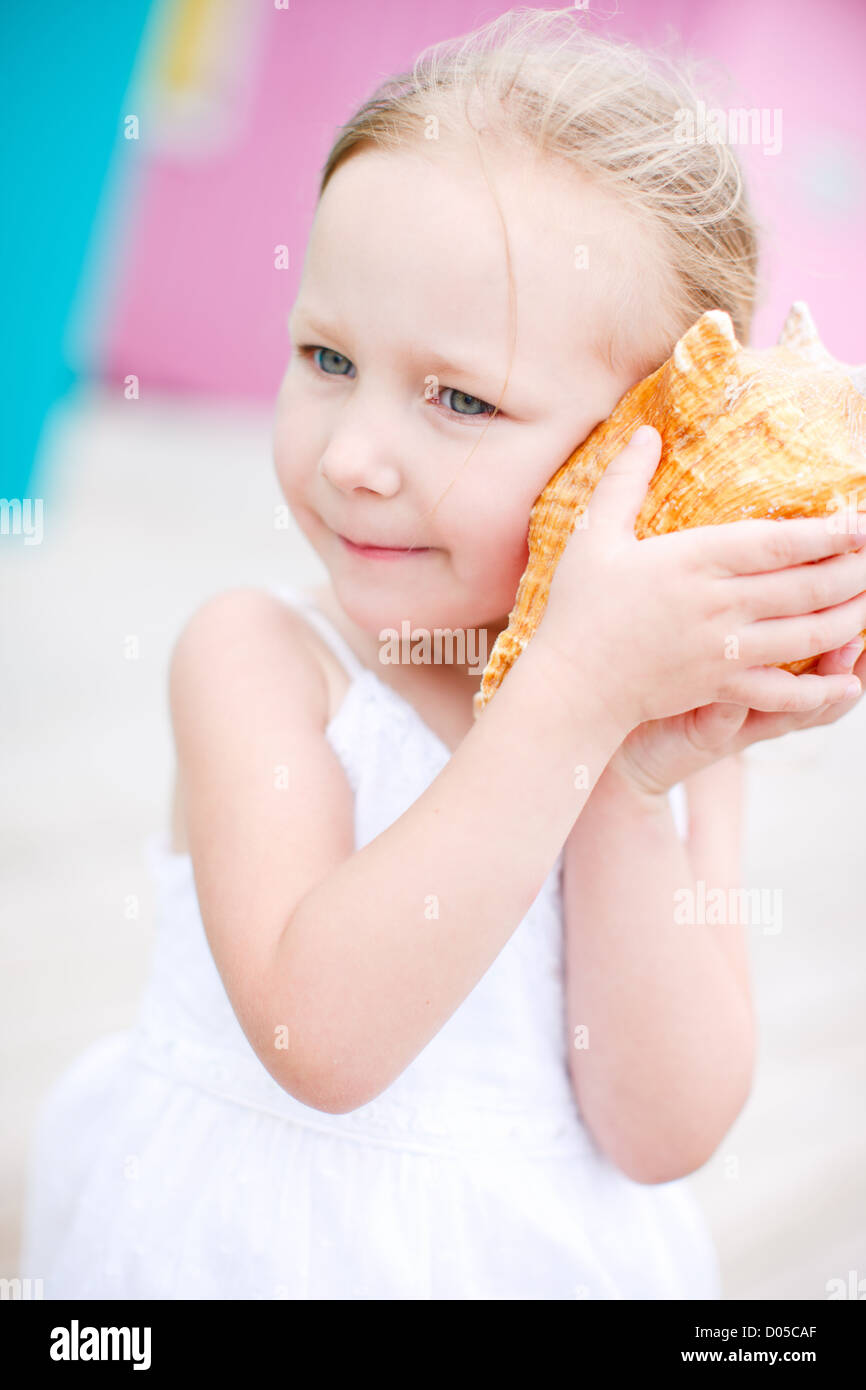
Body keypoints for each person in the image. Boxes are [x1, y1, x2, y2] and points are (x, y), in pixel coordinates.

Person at [19, 6, 866, 1300]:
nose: (352, 454)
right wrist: (565, 702)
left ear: (641, 446)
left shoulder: (662, 728)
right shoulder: (263, 661)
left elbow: (660, 1127)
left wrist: (621, 779)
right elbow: (323, 1035)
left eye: (459, 398)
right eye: (325, 358)